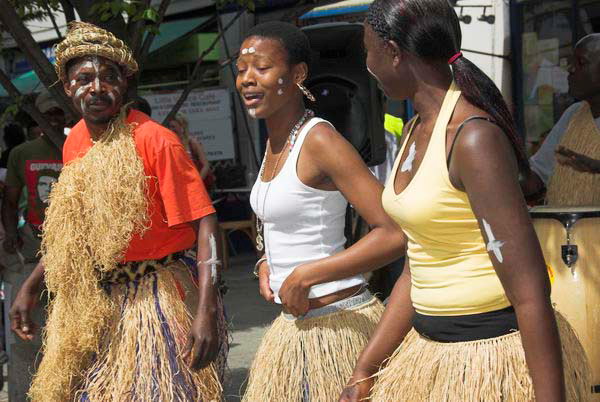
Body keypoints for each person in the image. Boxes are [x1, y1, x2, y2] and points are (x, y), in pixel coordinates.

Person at [339, 1, 590, 401]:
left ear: (392, 52)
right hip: (431, 354)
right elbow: (418, 263)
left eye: (368, 50)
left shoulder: (472, 137)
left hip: (492, 358)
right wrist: (365, 368)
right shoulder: (413, 130)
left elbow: (529, 289)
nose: (366, 63)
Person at [8, 22, 226, 401]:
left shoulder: (156, 140)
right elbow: (73, 234)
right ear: (68, 87)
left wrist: (206, 308)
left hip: (158, 300)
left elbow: (204, 219)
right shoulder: (74, 141)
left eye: (109, 77)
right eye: (85, 78)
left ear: (124, 85)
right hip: (100, 305)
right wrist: (30, 286)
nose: (97, 88)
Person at [236, 21, 405, 401]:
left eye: (261, 68)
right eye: (241, 69)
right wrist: (266, 260)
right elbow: (277, 214)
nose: (247, 79)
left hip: (338, 328)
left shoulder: (321, 140)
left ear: (297, 74)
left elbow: (393, 232)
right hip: (294, 331)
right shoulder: (274, 142)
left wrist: (307, 275)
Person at [0, 90, 64, 401]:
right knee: (24, 337)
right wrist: (11, 233)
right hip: (30, 253)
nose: (53, 119)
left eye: (58, 113)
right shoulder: (21, 153)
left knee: (68, 337)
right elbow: (10, 202)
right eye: (47, 114)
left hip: (70, 257)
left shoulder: (77, 147)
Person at [523, 33, 600, 206]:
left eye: (581, 63)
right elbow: (537, 176)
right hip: (564, 232)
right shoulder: (573, 114)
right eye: (572, 62)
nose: (570, 69)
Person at [167, 113, 215, 189]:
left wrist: (197, 182)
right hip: (180, 185)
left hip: (195, 184)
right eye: (169, 127)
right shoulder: (169, 143)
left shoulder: (192, 142)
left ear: (182, 126)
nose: (171, 130)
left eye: (173, 127)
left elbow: (205, 165)